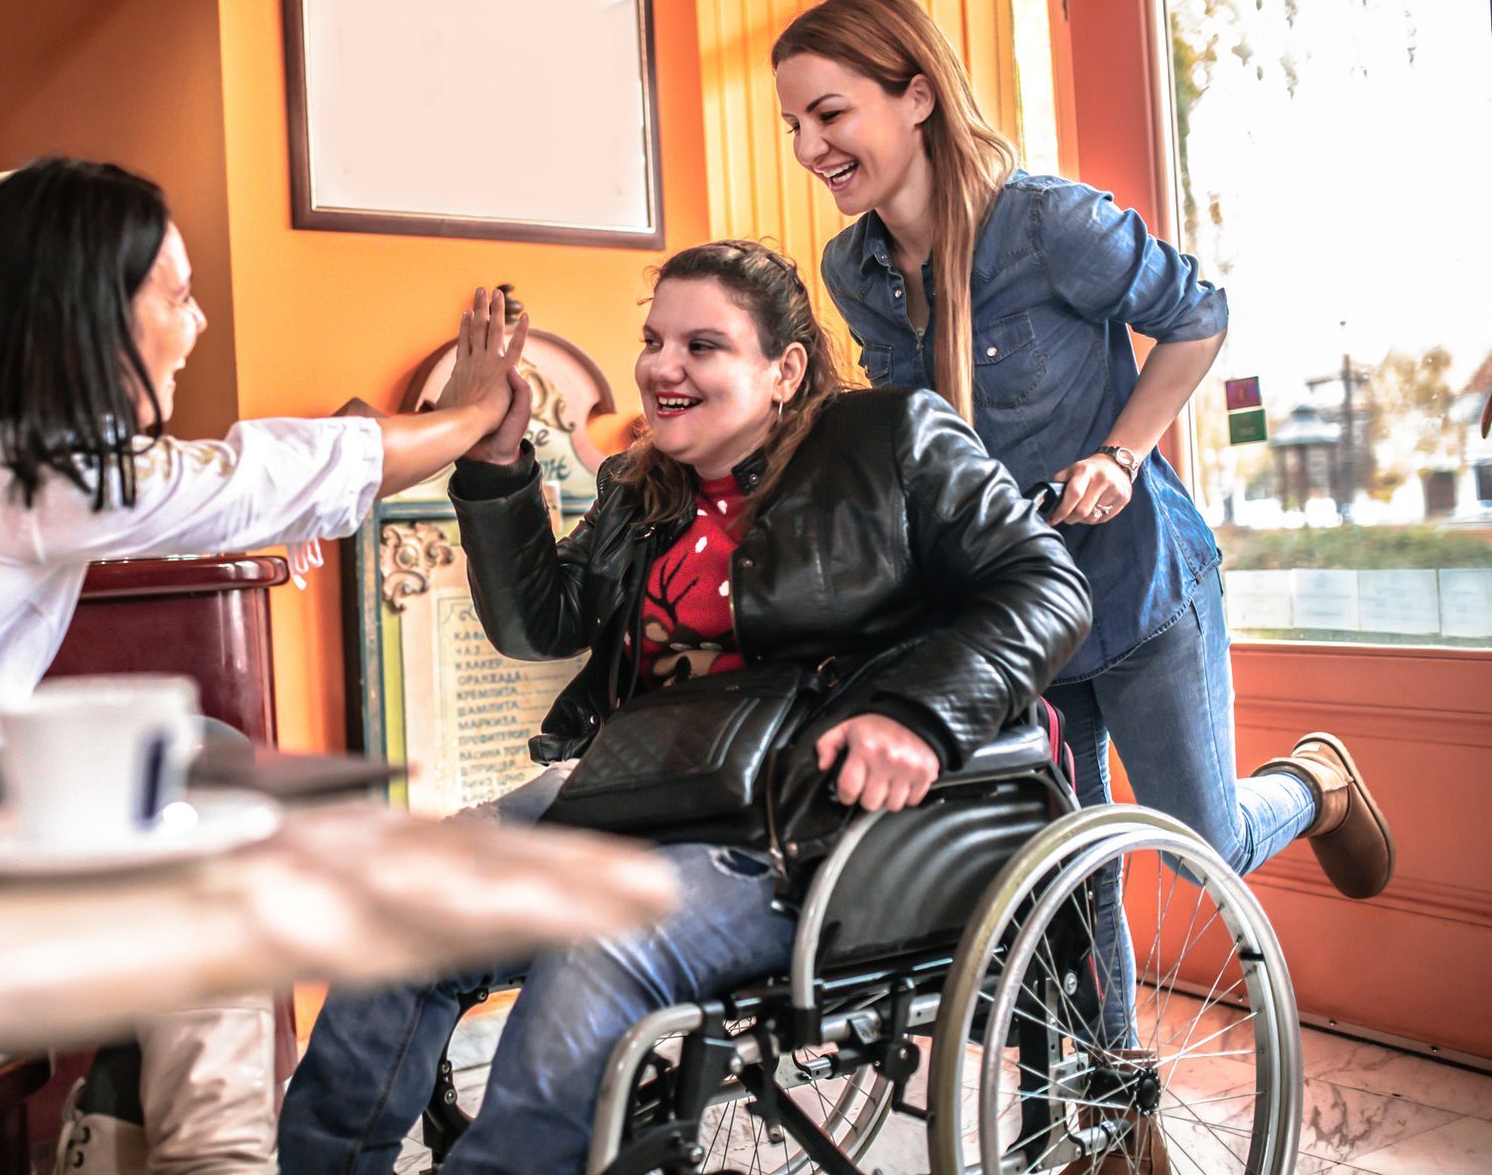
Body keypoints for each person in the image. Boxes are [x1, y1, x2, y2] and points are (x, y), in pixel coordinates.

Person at [278, 239, 1092, 1175]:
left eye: (702, 346)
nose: (663, 367)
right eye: (654, 339)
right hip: (640, 790)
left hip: (812, 819)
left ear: (783, 369)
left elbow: (1045, 586)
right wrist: (496, 460)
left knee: (597, 946)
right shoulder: (640, 487)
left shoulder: (892, 437)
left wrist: (918, 713)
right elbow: (541, 626)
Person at [768, 0, 1395, 1071]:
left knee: (1205, 851)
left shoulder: (1051, 223)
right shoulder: (853, 270)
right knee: (1069, 864)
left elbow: (1197, 316)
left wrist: (1122, 449)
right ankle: (1112, 1100)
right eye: (793, 127)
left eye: (830, 114)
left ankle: (1314, 783)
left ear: (915, 95)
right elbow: (917, 433)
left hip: (1142, 586)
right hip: (1019, 610)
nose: (810, 146)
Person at [0, 157, 528, 1175]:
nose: (194, 329)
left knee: (206, 754)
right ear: (86, 313)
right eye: (178, 297)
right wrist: (468, 415)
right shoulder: (36, 462)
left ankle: (115, 1134)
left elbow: (216, 492)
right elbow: (249, 477)